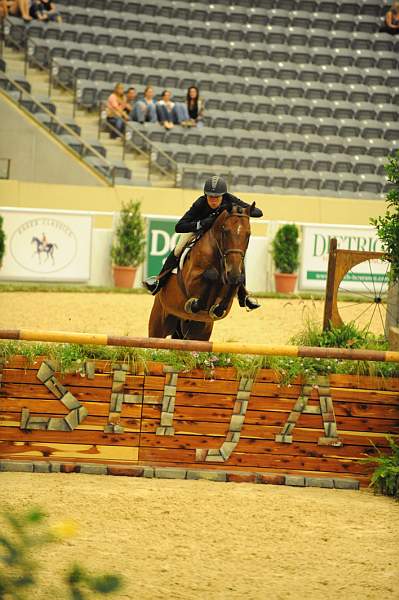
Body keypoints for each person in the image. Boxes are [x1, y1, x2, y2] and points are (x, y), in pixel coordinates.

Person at [143, 176, 262, 311]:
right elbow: (180, 226)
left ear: (223, 196)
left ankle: (244, 295)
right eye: (210, 197)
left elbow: (258, 213)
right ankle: (159, 280)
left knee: (235, 256)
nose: (213, 200)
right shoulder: (200, 203)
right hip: (197, 231)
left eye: (217, 197)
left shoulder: (229, 199)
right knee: (178, 249)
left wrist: (247, 209)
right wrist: (200, 223)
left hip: (219, 236)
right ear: (205, 195)